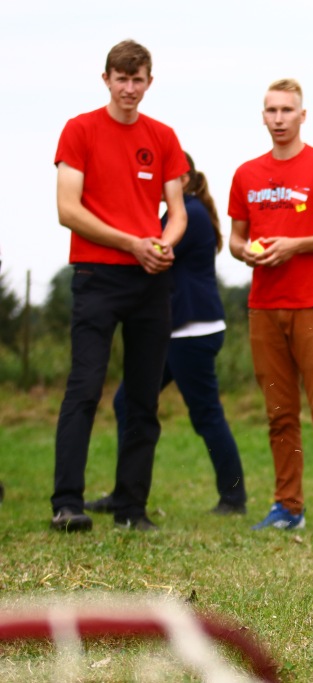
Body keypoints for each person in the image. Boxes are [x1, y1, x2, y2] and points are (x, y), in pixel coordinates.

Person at [51, 39, 189, 533]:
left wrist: (163, 244)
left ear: (149, 82)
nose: (129, 88)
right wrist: (132, 242)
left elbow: (176, 212)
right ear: (106, 79)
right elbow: (68, 210)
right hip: (97, 275)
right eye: (121, 79)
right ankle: (67, 504)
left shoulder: (164, 136)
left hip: (150, 278)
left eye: (138, 80)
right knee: (85, 388)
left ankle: (132, 508)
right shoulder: (80, 130)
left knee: (144, 397)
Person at [228, 78, 313, 535]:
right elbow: (236, 238)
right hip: (264, 307)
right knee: (279, 414)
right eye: (272, 110)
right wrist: (245, 252)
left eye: (287, 110)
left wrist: (296, 245)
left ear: (302, 115)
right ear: (263, 116)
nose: (279, 118)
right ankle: (288, 506)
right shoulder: (246, 174)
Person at [85, 152, 248, 517]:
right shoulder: (182, 212)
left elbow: (149, 252)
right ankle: (125, 492)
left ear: (184, 179)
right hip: (176, 331)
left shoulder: (188, 215)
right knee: (127, 402)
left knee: (206, 414)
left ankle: (234, 497)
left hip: (192, 331)